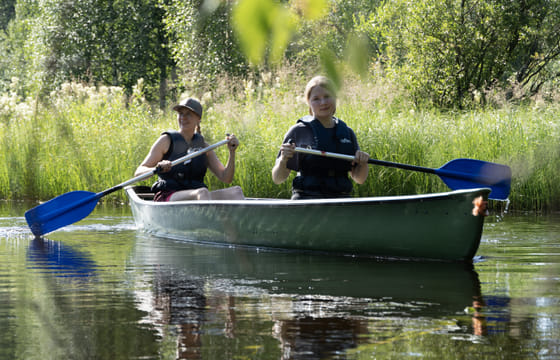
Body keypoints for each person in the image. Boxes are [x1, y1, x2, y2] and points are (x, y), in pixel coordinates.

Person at [271, 76, 369, 199]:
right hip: (307, 200)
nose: (323, 103)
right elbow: (277, 178)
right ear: (309, 102)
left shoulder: (347, 133)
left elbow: (359, 179)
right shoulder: (298, 131)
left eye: (327, 96)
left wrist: (363, 164)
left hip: (340, 199)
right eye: (316, 99)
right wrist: (283, 159)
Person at [135, 97, 244, 201]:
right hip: (168, 196)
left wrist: (232, 152)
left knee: (236, 192)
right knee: (202, 193)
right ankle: (205, 219)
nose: (183, 117)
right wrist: (157, 168)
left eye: (188, 114)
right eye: (181, 114)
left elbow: (226, 178)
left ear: (198, 119)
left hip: (197, 196)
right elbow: (139, 173)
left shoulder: (204, 147)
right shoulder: (166, 141)